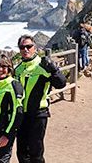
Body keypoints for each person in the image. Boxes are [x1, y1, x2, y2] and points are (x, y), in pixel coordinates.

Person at [13, 35, 66, 163]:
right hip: (22, 116)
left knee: (36, 152)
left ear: (34, 48)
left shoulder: (43, 65)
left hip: (38, 114)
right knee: (21, 152)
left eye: (28, 46)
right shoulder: (18, 69)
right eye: (22, 47)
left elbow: (61, 83)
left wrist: (54, 70)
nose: (25, 49)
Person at [0, 56, 23, 163]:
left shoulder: (13, 85)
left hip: (4, 132)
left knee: (2, 161)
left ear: (9, 68)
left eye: (4, 66)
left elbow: (18, 112)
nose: (0, 70)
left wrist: (7, 135)